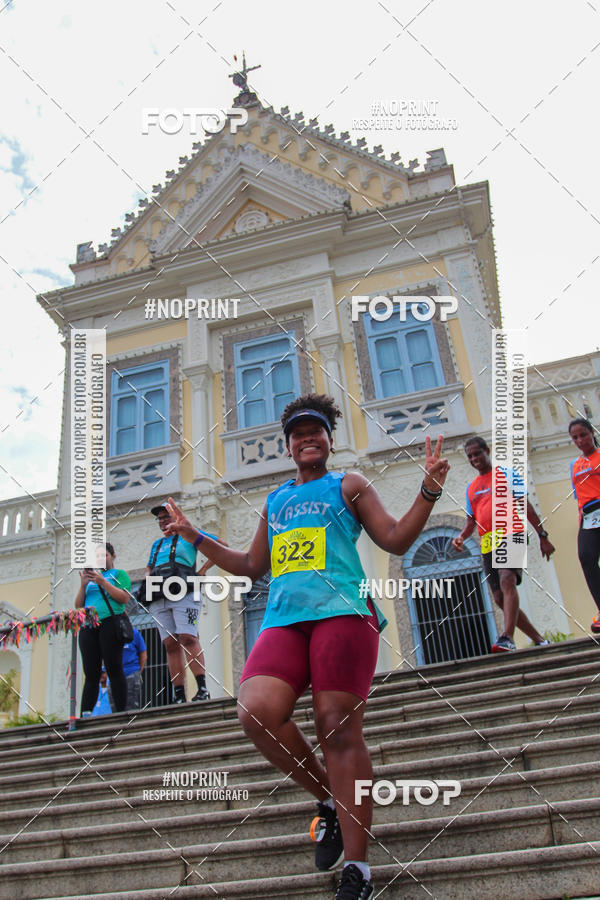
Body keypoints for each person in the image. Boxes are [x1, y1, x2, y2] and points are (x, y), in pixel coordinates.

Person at [162, 392, 450, 900]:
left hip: (343, 612)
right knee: (255, 710)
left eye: (316, 430)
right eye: (298, 433)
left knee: (334, 725)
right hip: (285, 618)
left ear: (329, 440)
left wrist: (427, 492)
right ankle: (327, 802)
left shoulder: (350, 484)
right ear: (289, 447)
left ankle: (357, 871)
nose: (308, 437)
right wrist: (195, 534)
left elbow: (396, 540)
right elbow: (253, 567)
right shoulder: (275, 500)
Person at [452, 436, 555, 652]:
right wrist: (461, 536)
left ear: (487, 451)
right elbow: (472, 520)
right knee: (499, 596)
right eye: (470, 456)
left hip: (512, 533)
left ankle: (507, 637)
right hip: (488, 542)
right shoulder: (471, 488)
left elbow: (525, 505)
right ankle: (539, 638)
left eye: (477, 453)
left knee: (507, 579)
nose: (474, 459)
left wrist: (542, 535)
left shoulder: (507, 475)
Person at [144, 503, 220, 704]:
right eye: (159, 518)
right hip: (159, 593)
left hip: (185, 589)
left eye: (166, 516)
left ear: (176, 517)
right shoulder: (156, 544)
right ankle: (178, 694)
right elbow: (149, 566)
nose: (163, 520)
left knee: (188, 637)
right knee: (170, 644)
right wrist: (147, 578)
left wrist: (202, 571)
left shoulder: (189, 535)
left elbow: (221, 546)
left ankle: (202, 688)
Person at [75, 542, 130, 715]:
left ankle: (121, 711)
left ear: (113, 556)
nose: (101, 559)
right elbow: (78, 606)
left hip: (109, 623)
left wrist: (102, 582)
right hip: (89, 625)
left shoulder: (119, 574)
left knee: (114, 667)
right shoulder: (90, 580)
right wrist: (83, 585)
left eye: (104, 555)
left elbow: (123, 598)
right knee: (91, 673)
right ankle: (86, 712)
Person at [568, 417, 600, 633]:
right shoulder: (575, 465)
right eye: (575, 438)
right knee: (586, 557)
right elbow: (579, 496)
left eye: (583, 435)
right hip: (589, 517)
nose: (580, 440)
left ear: (592, 433)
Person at [108, 626, 147, 711]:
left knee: (130, 707)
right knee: (114, 708)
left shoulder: (133, 633)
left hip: (131, 674)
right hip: (114, 676)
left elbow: (143, 654)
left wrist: (137, 672)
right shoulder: (109, 633)